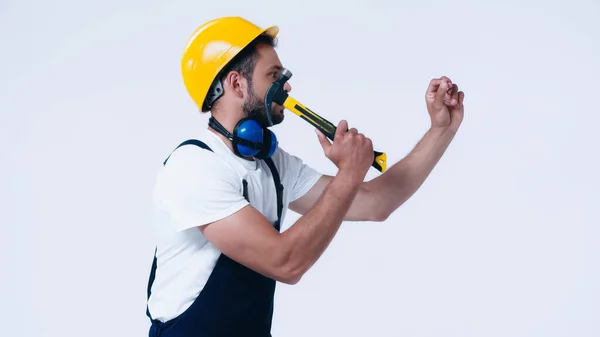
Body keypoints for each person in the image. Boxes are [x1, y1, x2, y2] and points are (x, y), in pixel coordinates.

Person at [145, 16, 465, 337]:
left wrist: (442, 129)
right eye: (273, 75)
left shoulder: (270, 162)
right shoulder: (195, 167)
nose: (286, 86)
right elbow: (285, 262)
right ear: (236, 84)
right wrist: (348, 173)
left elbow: (375, 203)